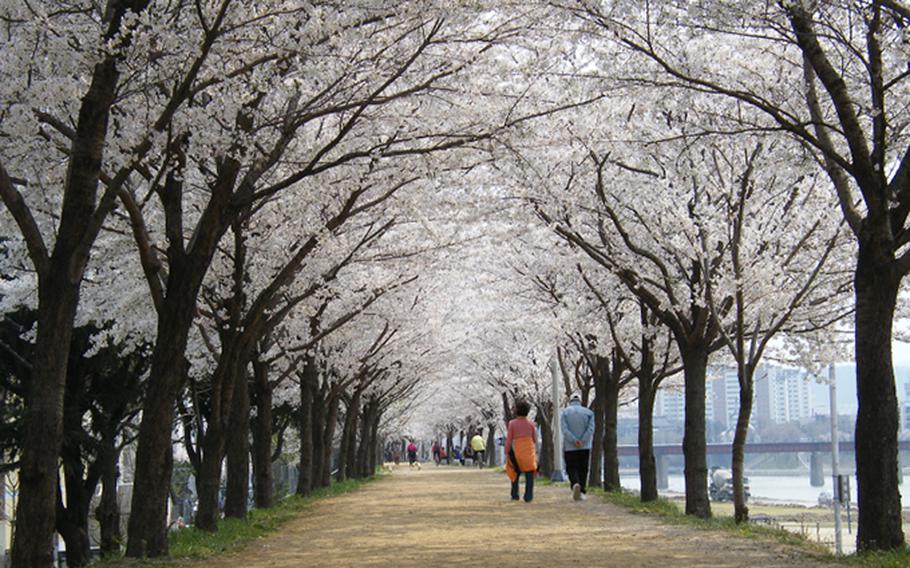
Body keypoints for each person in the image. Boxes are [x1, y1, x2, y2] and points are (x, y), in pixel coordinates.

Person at [560, 393, 595, 501]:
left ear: (570, 402)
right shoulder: (589, 413)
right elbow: (590, 429)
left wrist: (574, 440)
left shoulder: (564, 413)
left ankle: (575, 483)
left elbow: (564, 430)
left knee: (571, 467)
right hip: (585, 447)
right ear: (580, 401)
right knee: (583, 469)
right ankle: (582, 491)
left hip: (570, 447)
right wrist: (582, 440)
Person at [505, 400, 538, 502]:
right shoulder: (531, 424)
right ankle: (528, 496)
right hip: (528, 451)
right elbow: (535, 439)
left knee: (515, 473)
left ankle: (515, 494)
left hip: (517, 451)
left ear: (516, 411)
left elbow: (509, 439)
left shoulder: (512, 423)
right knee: (529, 475)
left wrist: (507, 451)